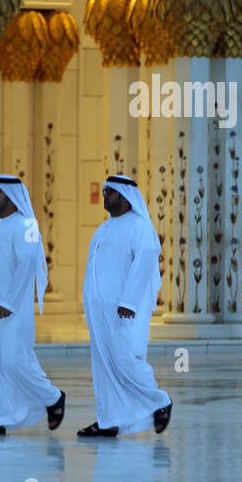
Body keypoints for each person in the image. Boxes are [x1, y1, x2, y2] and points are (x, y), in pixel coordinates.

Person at [0, 175, 65, 436]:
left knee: (14, 361)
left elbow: (27, 265)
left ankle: (53, 397)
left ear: (10, 196)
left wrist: (8, 302)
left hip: (12, 311)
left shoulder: (26, 225)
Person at [79, 176, 172, 437]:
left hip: (124, 310)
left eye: (109, 192)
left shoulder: (139, 227)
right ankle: (108, 420)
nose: (104, 196)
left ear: (123, 196)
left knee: (125, 360)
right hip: (99, 310)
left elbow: (145, 262)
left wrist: (129, 301)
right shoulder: (105, 228)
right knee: (103, 365)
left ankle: (160, 402)